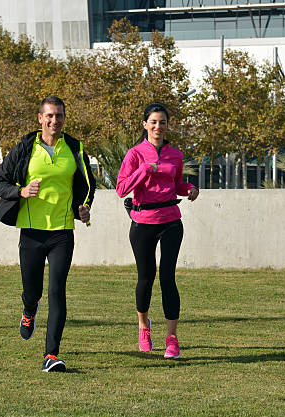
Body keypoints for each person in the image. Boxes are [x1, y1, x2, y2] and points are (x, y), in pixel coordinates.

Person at [0, 95, 96, 372]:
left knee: (57, 291)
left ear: (64, 118)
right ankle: (28, 310)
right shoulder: (26, 147)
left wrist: (83, 207)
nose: (54, 120)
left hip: (62, 232)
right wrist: (21, 191)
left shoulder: (74, 147)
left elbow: (87, 184)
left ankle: (51, 354)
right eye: (49, 116)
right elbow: (0, 182)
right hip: (31, 233)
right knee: (32, 290)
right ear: (40, 119)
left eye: (59, 115)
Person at [116, 103, 199, 359]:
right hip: (143, 221)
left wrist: (191, 189)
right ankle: (144, 327)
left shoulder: (175, 154)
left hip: (171, 219)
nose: (158, 127)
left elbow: (176, 185)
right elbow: (121, 189)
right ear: (145, 124)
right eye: (153, 122)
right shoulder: (135, 154)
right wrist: (143, 170)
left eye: (162, 122)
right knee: (146, 277)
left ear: (167, 125)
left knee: (168, 277)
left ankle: (172, 338)